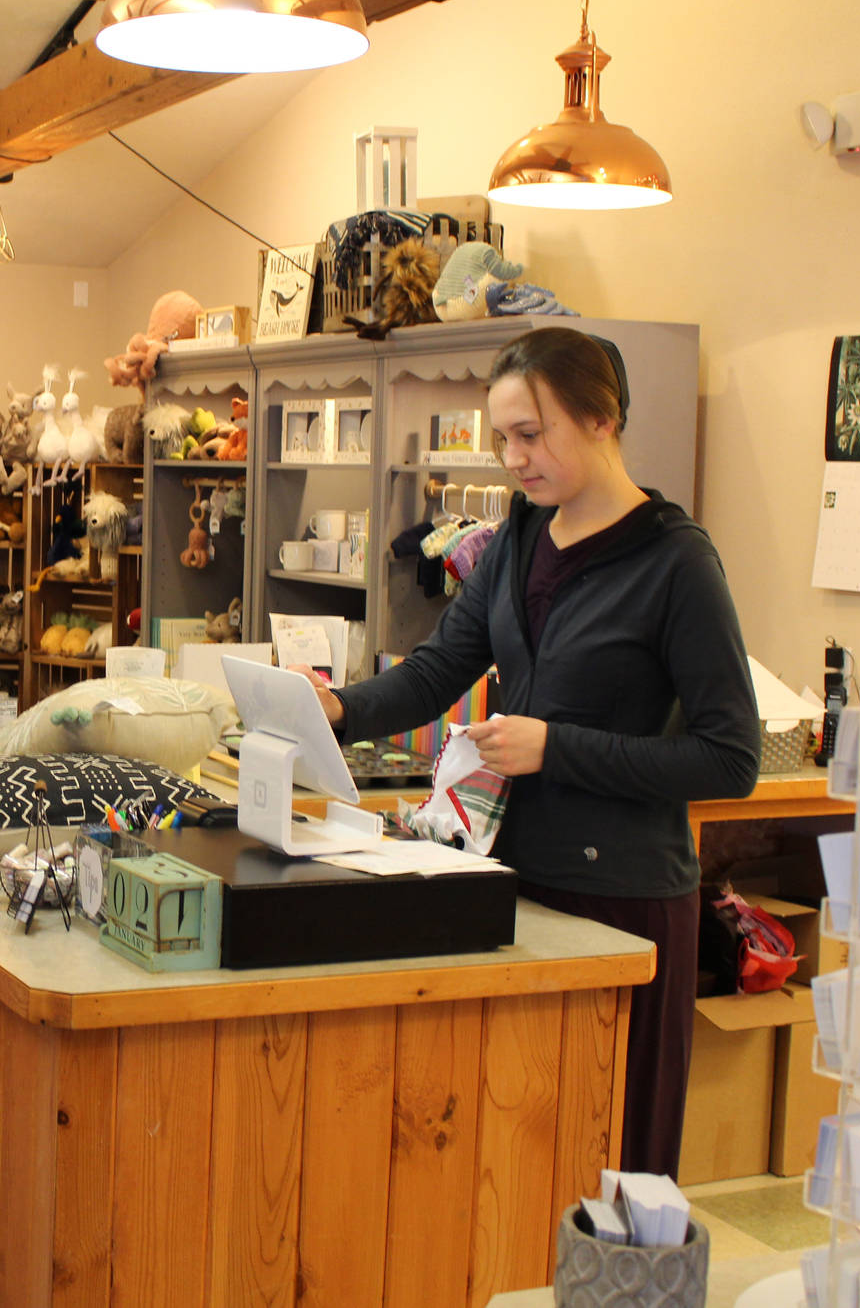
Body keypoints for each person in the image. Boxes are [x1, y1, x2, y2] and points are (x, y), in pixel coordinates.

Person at [314, 328, 759, 1178]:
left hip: (624, 905)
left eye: (532, 434)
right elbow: (442, 666)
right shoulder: (519, 540)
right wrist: (335, 707)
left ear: (603, 419)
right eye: (503, 437)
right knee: (521, 1161)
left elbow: (728, 758)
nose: (513, 459)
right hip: (515, 885)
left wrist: (558, 748)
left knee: (615, 1163)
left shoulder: (676, 562)